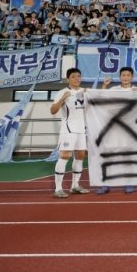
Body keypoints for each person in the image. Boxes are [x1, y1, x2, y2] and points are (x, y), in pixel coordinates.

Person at [98, 67, 137, 194]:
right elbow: (101, 97)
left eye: (128, 75)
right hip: (114, 127)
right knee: (109, 156)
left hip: (129, 129)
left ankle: (129, 183)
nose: (125, 77)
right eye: (123, 75)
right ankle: (105, 184)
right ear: (120, 77)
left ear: (132, 77)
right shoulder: (114, 89)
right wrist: (104, 86)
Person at [49, 67, 90, 198]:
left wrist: (102, 87)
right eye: (73, 76)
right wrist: (63, 99)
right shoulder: (62, 92)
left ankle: (75, 186)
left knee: (80, 156)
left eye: (78, 76)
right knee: (65, 156)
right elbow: (53, 110)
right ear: (68, 79)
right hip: (68, 130)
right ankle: (58, 189)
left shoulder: (85, 92)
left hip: (82, 131)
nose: (76, 78)